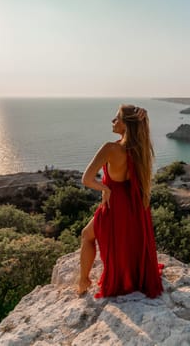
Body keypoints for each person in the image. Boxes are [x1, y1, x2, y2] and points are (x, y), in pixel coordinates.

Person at [77, 104, 163, 298]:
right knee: (129, 242)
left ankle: (84, 280)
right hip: (134, 204)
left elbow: (87, 179)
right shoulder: (139, 148)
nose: (113, 121)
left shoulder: (110, 148)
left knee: (87, 235)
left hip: (114, 202)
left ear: (126, 124)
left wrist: (104, 188)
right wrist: (143, 116)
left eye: (117, 118)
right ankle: (129, 275)